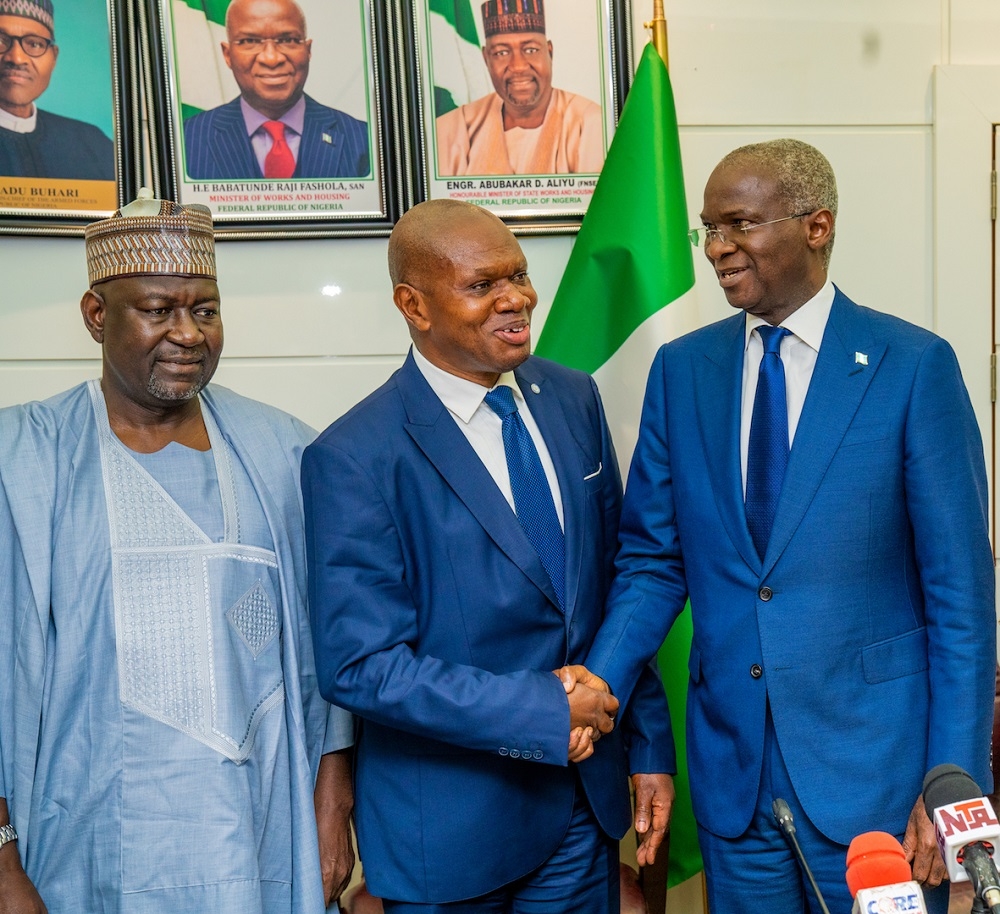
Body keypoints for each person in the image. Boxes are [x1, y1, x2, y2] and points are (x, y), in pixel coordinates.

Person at [573, 138, 997, 914]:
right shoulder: (682, 371)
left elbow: (962, 600)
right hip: (736, 784)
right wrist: (599, 677)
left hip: (878, 781)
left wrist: (953, 785)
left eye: (739, 225)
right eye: (708, 229)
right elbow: (653, 561)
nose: (717, 250)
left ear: (817, 225)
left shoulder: (912, 367)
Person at [302, 199, 674, 913]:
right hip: (450, 835)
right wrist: (541, 710)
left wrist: (649, 746)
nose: (517, 299)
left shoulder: (572, 398)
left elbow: (618, 585)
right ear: (414, 305)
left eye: (520, 274)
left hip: (580, 811)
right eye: (482, 286)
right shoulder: (354, 456)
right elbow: (361, 665)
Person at [0, 189, 355, 913]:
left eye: (205, 309)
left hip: (260, 831)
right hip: (86, 846)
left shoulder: (286, 450)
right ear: (97, 316)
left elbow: (328, 650)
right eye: (158, 311)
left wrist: (333, 799)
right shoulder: (22, 460)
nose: (188, 333)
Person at [184, 0, 369, 181]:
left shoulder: (364, 141)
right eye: (250, 41)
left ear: (308, 50)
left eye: (287, 40)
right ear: (227, 55)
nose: (271, 58)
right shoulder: (185, 141)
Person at [435, 0, 604, 177]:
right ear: (486, 59)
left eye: (531, 50)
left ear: (549, 52)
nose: (518, 66)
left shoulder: (589, 124)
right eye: (502, 53)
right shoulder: (453, 130)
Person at [0, 0, 114, 180]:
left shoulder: (93, 144)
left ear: (53, 57)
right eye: (0, 40)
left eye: (35, 44)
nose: (16, 58)